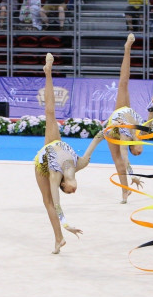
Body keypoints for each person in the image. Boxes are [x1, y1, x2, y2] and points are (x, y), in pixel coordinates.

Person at [35, 53, 104, 255]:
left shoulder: (56, 176)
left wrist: (66, 224)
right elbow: (96, 140)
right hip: (54, 145)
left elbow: (57, 204)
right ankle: (48, 72)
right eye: (73, 191)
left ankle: (58, 237)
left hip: (43, 163)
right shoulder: (80, 165)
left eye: (69, 191)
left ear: (64, 185)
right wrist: (105, 132)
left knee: (48, 202)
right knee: (51, 112)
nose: (73, 190)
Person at [103, 33, 153, 203]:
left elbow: (125, 159)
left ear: (134, 149)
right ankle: (128, 48)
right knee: (125, 82)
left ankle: (124, 193)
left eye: (138, 152)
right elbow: (149, 122)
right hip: (126, 114)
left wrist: (133, 175)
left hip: (113, 131)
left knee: (119, 164)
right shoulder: (140, 135)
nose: (141, 150)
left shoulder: (126, 142)